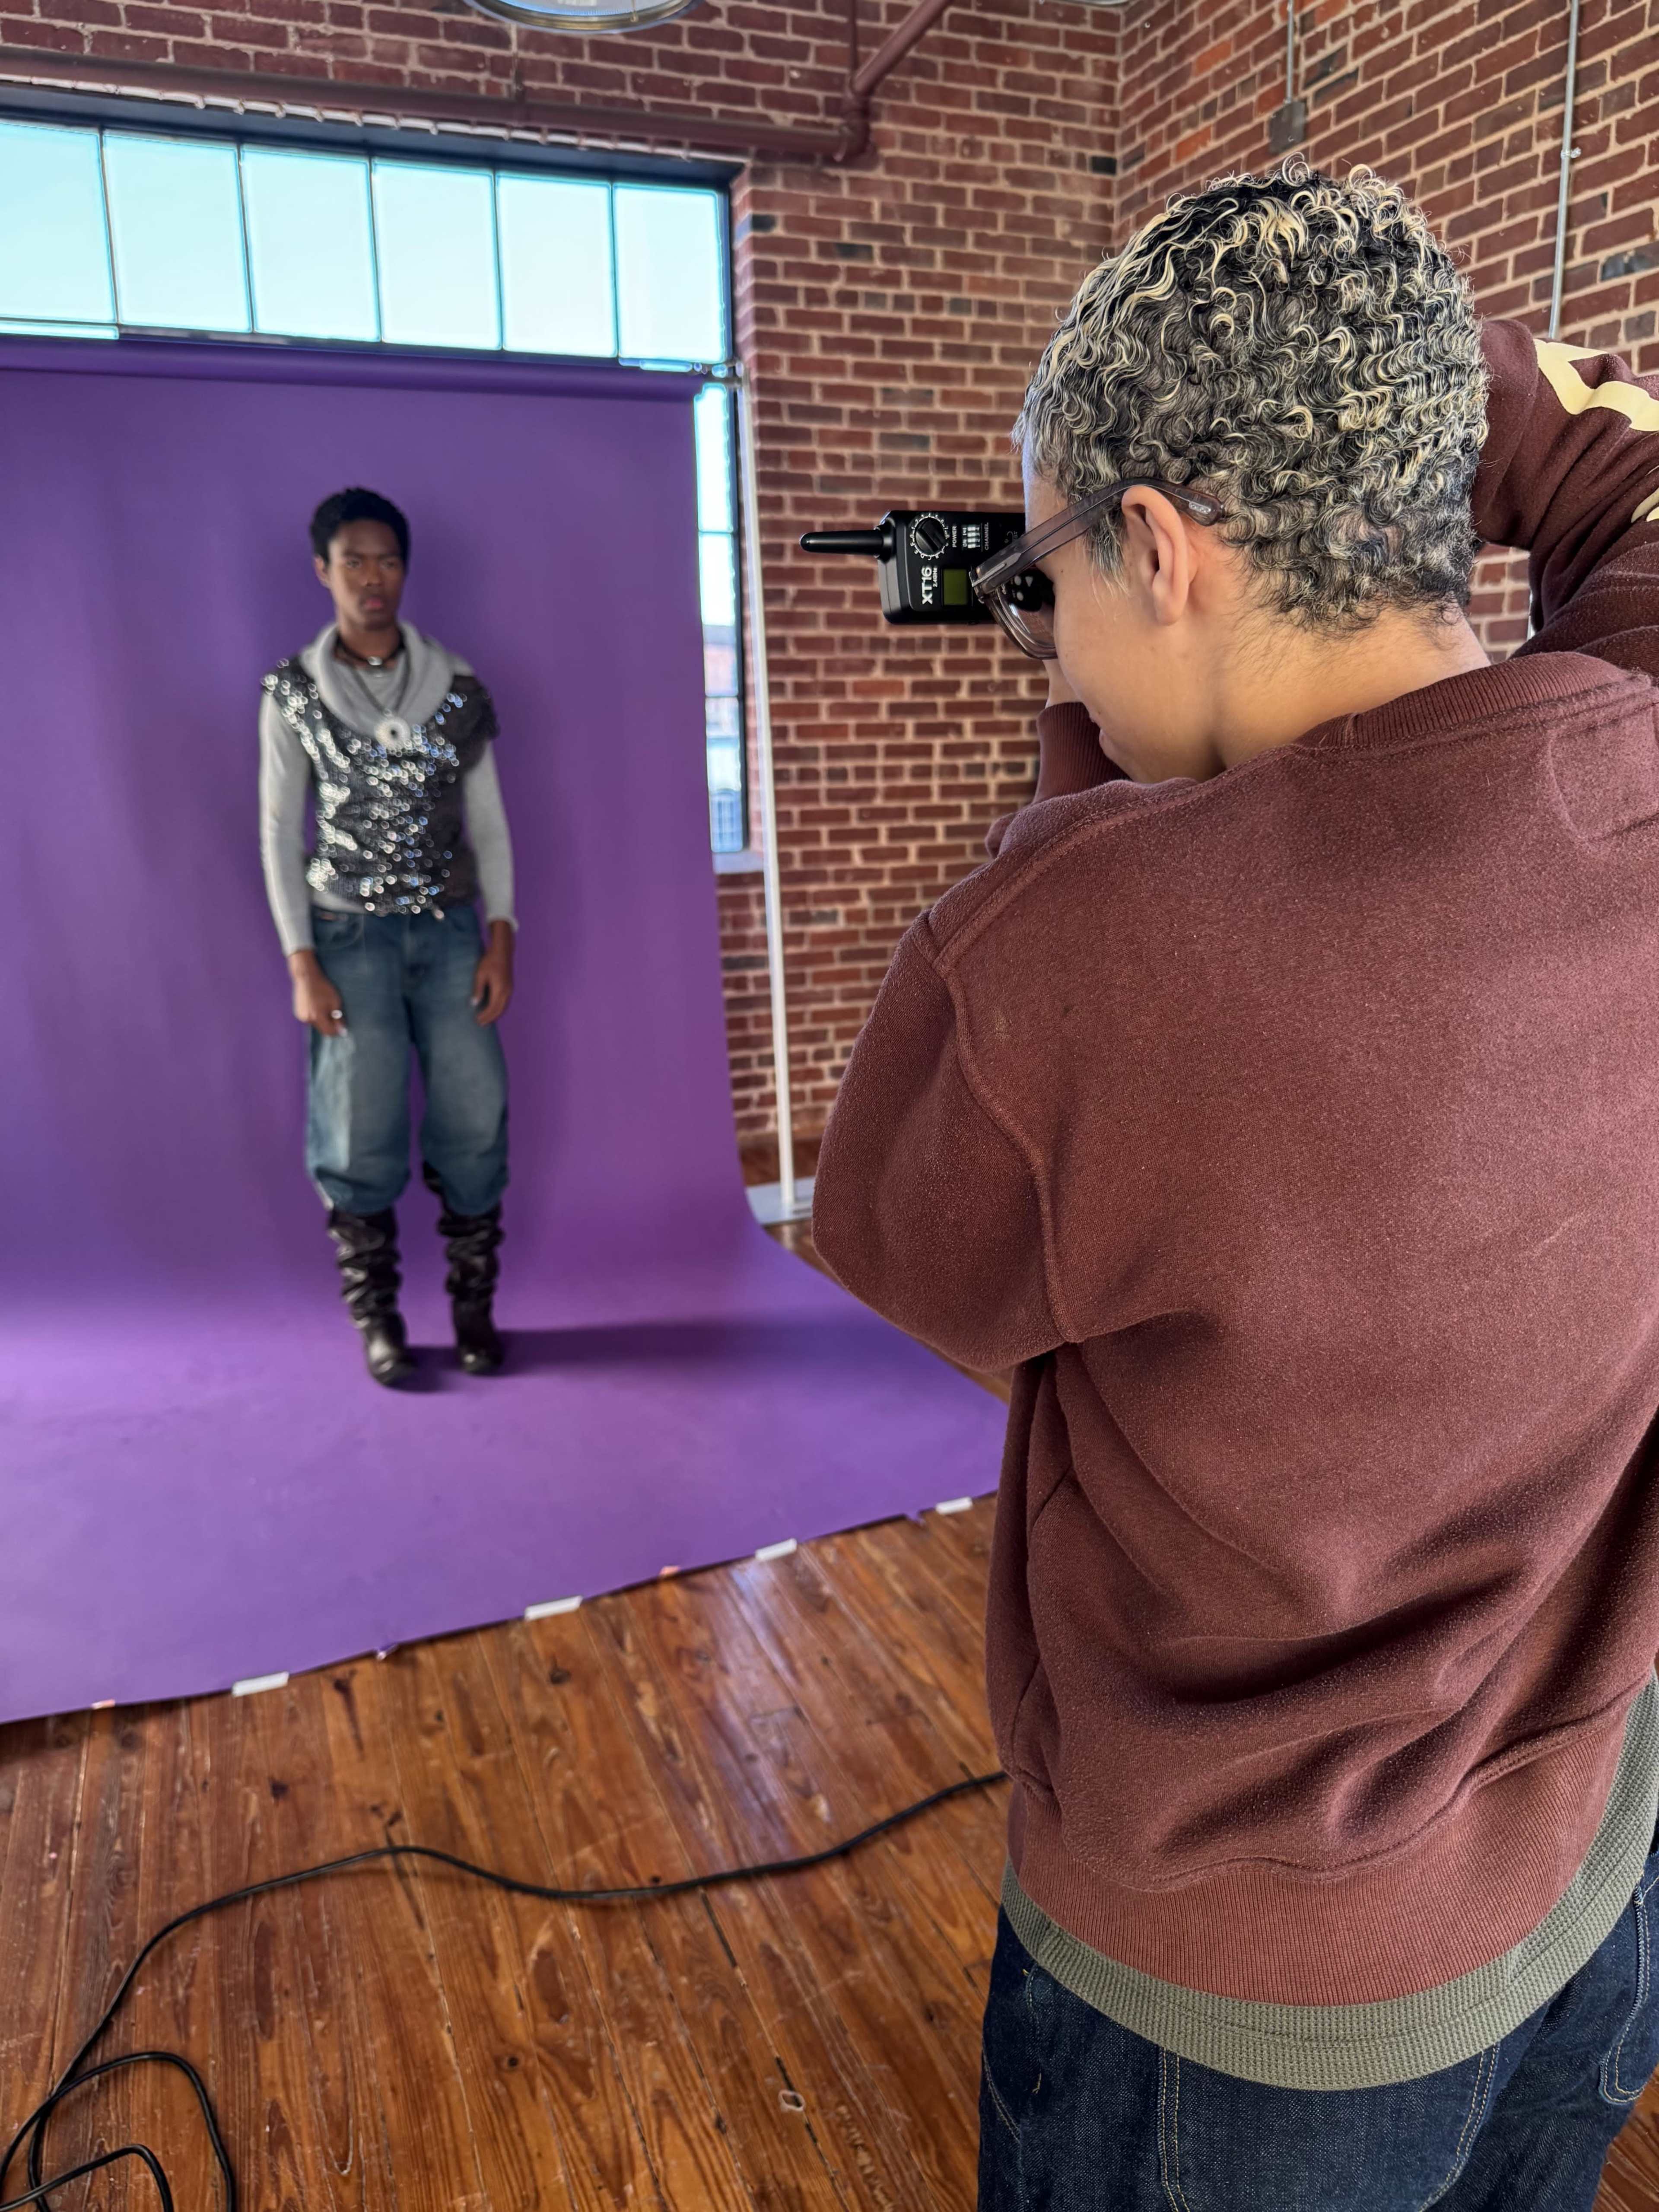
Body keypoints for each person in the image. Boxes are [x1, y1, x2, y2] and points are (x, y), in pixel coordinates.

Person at [811, 161, 1659, 2208]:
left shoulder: (1074, 954)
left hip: (1243, 2003)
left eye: (1055, 580)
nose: (1058, 650)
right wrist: (1380, 385)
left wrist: (1094, 782)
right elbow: (1620, 482)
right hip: (1601, 1860)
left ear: (1166, 548)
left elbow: (902, 1255)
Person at [259, 487, 517, 1386]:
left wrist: (501, 935)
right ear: (324, 570)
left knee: (473, 1117)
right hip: (346, 935)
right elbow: (276, 829)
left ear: (406, 569)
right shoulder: (293, 693)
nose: (374, 578)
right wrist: (302, 960)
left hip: (449, 932)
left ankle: (474, 1307)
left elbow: (488, 822)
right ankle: (380, 1321)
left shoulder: (457, 687)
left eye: (389, 560)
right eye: (355, 561)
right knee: (356, 1126)